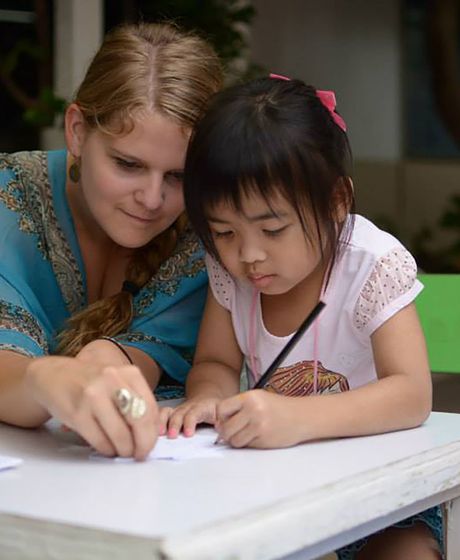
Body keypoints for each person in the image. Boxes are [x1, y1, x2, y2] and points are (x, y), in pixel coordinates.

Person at [162, 76, 443, 559]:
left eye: (272, 228)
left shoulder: (370, 265)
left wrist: (295, 418)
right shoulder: (231, 275)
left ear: (336, 202)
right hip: (278, 487)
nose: (248, 255)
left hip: (386, 491)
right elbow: (215, 362)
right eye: (223, 231)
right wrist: (209, 399)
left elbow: (412, 393)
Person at [0, 22, 222, 461]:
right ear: (78, 131)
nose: (152, 199)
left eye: (178, 176)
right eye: (128, 164)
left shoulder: (214, 229)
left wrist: (109, 359)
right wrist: (46, 381)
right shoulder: (9, 198)